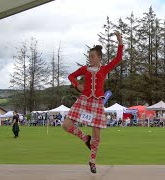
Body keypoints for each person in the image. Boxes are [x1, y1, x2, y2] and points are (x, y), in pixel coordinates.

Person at [62, 31, 123, 173]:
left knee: (97, 135)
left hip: (97, 104)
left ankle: (92, 161)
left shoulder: (105, 68)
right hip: (84, 101)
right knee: (66, 125)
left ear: (99, 57)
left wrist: (119, 40)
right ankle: (84, 137)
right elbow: (71, 76)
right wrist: (77, 85)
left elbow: (118, 58)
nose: (90, 58)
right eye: (89, 56)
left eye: (92, 56)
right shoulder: (85, 69)